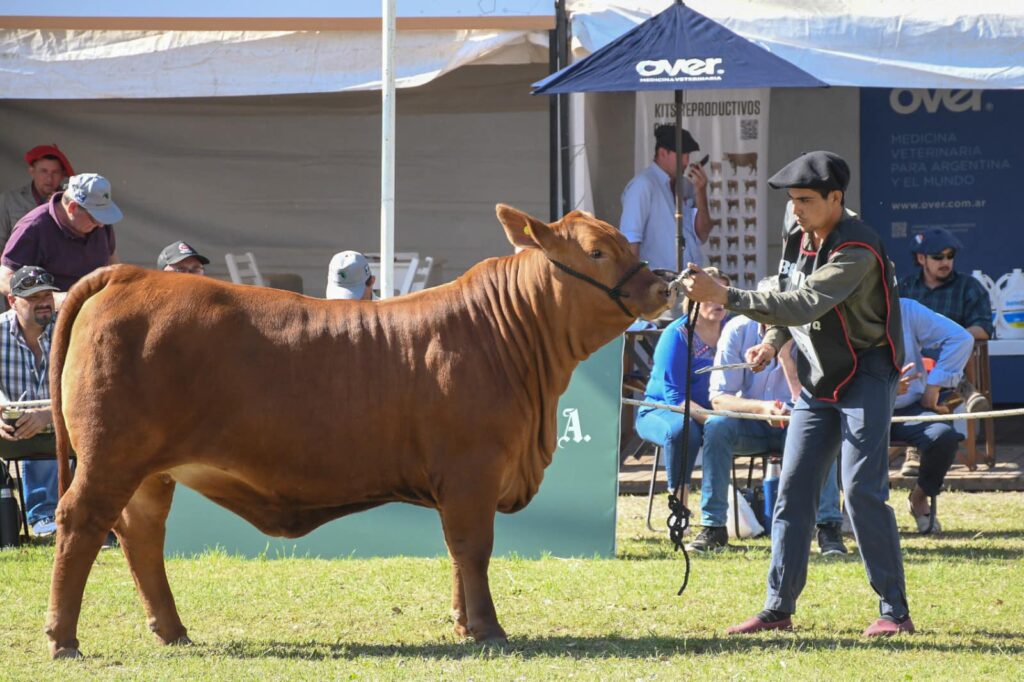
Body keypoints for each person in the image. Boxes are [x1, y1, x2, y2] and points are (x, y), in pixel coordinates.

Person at [680, 151, 913, 637]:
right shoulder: (799, 235)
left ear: (836, 197)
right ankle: (778, 608)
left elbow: (808, 300)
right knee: (793, 490)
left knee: (861, 489)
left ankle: (894, 611)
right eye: (792, 201)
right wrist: (771, 341)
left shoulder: (858, 249)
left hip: (866, 372)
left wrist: (726, 297)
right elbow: (792, 301)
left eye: (806, 200)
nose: (797, 210)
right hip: (818, 376)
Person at [690, 277, 846, 555]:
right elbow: (719, 398)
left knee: (823, 427)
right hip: (750, 424)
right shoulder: (737, 330)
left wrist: (786, 358)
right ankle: (713, 527)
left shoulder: (813, 334)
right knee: (717, 426)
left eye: (782, 308)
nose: (774, 315)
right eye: (768, 307)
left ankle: (828, 528)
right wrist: (762, 410)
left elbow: (822, 398)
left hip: (798, 422)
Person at [898, 227, 990, 476]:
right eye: (938, 257)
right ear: (921, 259)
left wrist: (945, 336)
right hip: (913, 365)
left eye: (950, 256)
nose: (946, 262)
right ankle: (967, 394)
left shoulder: (969, 286)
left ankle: (918, 449)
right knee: (921, 363)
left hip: (950, 360)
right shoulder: (905, 287)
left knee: (952, 348)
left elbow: (982, 328)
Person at [635, 268, 730, 499]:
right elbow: (675, 398)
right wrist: (716, 419)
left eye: (724, 293)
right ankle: (679, 507)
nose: (719, 301)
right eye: (711, 293)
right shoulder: (676, 334)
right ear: (694, 297)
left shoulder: (733, 329)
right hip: (662, 410)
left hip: (715, 412)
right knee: (684, 430)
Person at [894, 297, 973, 533]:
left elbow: (961, 338)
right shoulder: (844, 309)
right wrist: (885, 388)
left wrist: (934, 385)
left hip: (910, 408)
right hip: (863, 408)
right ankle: (849, 508)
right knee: (835, 434)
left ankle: (919, 498)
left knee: (944, 436)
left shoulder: (906, 308)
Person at [0, 266, 60, 537]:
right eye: (34, 297)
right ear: (12, 301)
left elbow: (91, 388)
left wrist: (48, 414)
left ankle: (50, 518)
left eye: (47, 295)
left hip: (61, 425)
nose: (44, 302)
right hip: (6, 429)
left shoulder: (69, 330)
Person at [0, 173, 123, 302]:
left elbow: (114, 267)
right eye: (94, 217)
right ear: (72, 208)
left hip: (94, 312)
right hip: (48, 316)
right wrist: (53, 300)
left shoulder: (101, 225)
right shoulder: (34, 227)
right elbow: (4, 278)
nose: (100, 224)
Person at [620, 124, 712, 272]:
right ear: (663, 153)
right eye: (681, 155)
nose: (686, 162)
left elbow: (702, 234)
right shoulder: (643, 185)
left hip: (692, 280)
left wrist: (700, 192)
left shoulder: (686, 186)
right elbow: (630, 243)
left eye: (688, 156)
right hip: (659, 284)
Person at [0, 145, 74, 252]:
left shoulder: (72, 202)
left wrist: (59, 210)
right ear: (32, 171)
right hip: (19, 265)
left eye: (55, 172)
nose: (49, 178)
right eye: (44, 171)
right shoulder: (9, 200)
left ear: (62, 175)